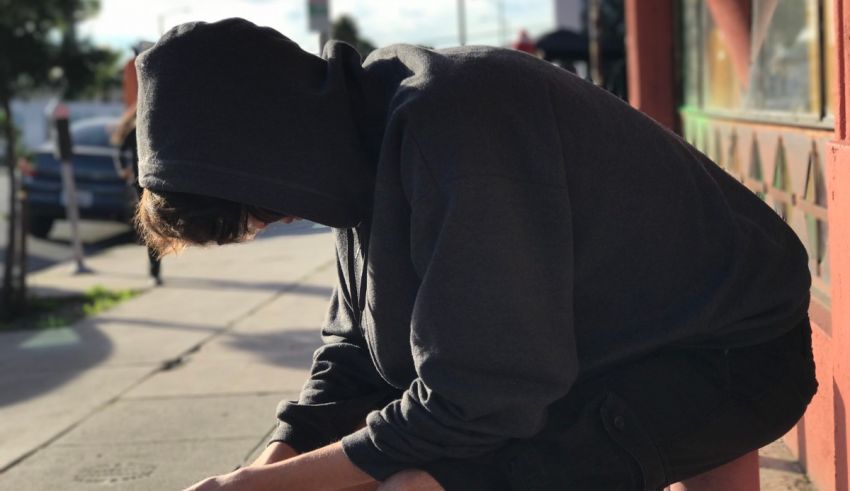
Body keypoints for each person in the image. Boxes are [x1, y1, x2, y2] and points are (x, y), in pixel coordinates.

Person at [134, 18, 817, 491]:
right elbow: (352, 362)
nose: (278, 217)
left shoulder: (456, 127)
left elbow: (480, 398)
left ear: (267, 139)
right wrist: (264, 471)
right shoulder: (353, 148)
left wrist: (274, 483)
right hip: (611, 348)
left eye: (257, 204)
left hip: (727, 354)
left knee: (413, 484)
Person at [111, 105, 163, 285]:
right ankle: (154, 268)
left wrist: (123, 170)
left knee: (152, 223)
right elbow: (120, 153)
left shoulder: (144, 129)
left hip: (147, 181)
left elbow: (119, 154)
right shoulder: (137, 131)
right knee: (152, 224)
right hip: (145, 181)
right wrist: (123, 170)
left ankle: (155, 267)